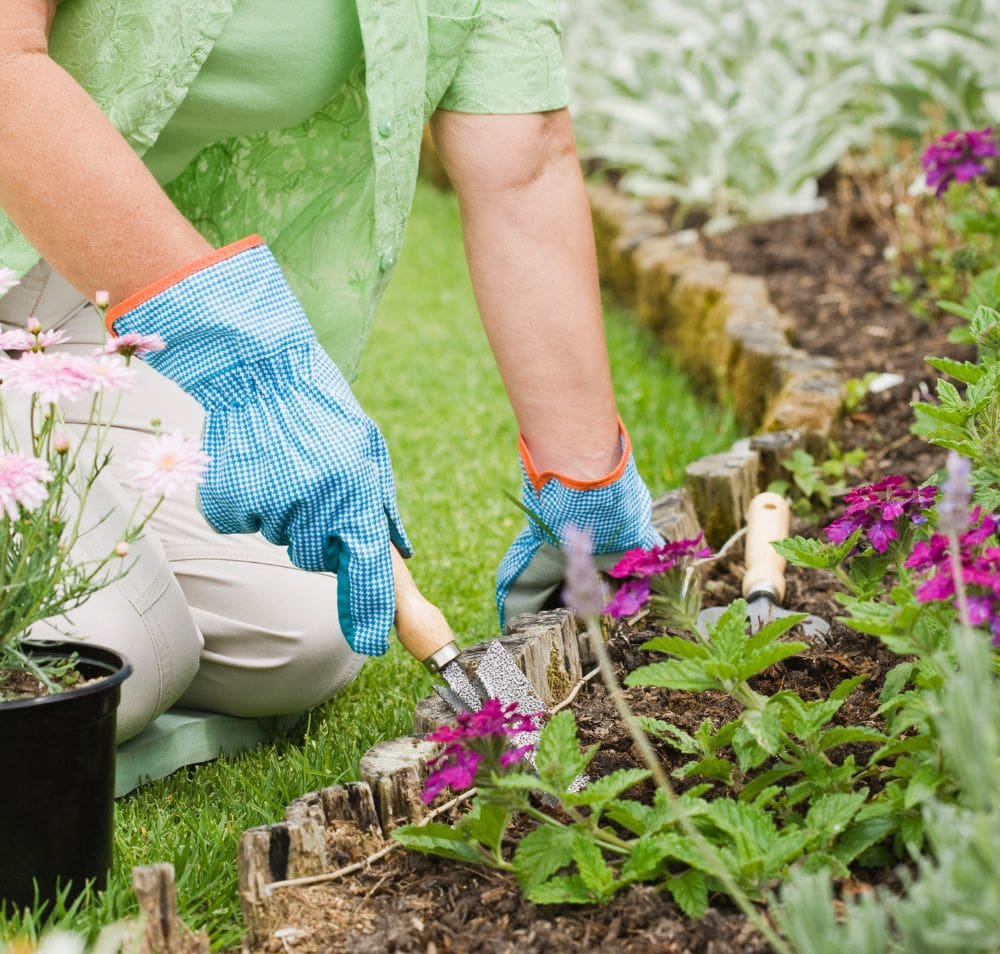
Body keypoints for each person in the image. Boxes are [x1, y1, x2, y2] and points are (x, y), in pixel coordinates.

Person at [0, 0, 660, 743]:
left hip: (83, 297)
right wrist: (243, 353)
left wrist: (585, 489)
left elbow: (526, 160)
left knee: (302, 639)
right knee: (122, 661)